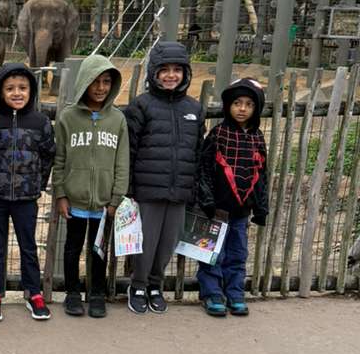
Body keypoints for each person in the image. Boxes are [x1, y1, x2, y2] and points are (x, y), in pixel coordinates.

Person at [124, 41, 205, 315]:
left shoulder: (194, 109)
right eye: (164, 70)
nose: (171, 75)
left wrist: (194, 190)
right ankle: (138, 285)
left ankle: (155, 285)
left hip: (179, 189)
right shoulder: (141, 106)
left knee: (169, 241)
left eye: (177, 70)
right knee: (145, 242)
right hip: (148, 189)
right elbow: (130, 150)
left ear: (185, 73)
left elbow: (197, 153)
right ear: (154, 73)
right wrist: (129, 190)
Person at [52, 54, 129, 318]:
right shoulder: (68, 117)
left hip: (104, 203)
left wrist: (116, 198)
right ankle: (72, 293)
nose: (100, 87)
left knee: (99, 251)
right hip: (75, 200)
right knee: (72, 249)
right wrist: (60, 193)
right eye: (95, 81)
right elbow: (59, 159)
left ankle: (96, 294)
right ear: (84, 81)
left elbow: (122, 162)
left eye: (106, 81)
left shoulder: (117, 120)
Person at [0, 63, 56, 322]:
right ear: (0, 92)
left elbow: (48, 155)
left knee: (28, 246)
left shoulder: (40, 122)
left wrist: (37, 184)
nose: (16, 93)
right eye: (10, 88)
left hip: (26, 198)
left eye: (22, 88)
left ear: (31, 91)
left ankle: (34, 292)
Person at [196, 78, 268, 317]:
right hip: (217, 209)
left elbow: (262, 174)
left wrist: (261, 208)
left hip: (242, 211)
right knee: (212, 253)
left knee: (237, 254)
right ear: (228, 106)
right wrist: (206, 200)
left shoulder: (257, 138)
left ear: (256, 108)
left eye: (249, 104)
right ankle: (212, 294)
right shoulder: (219, 134)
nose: (242, 109)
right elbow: (205, 169)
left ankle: (235, 293)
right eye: (237, 103)